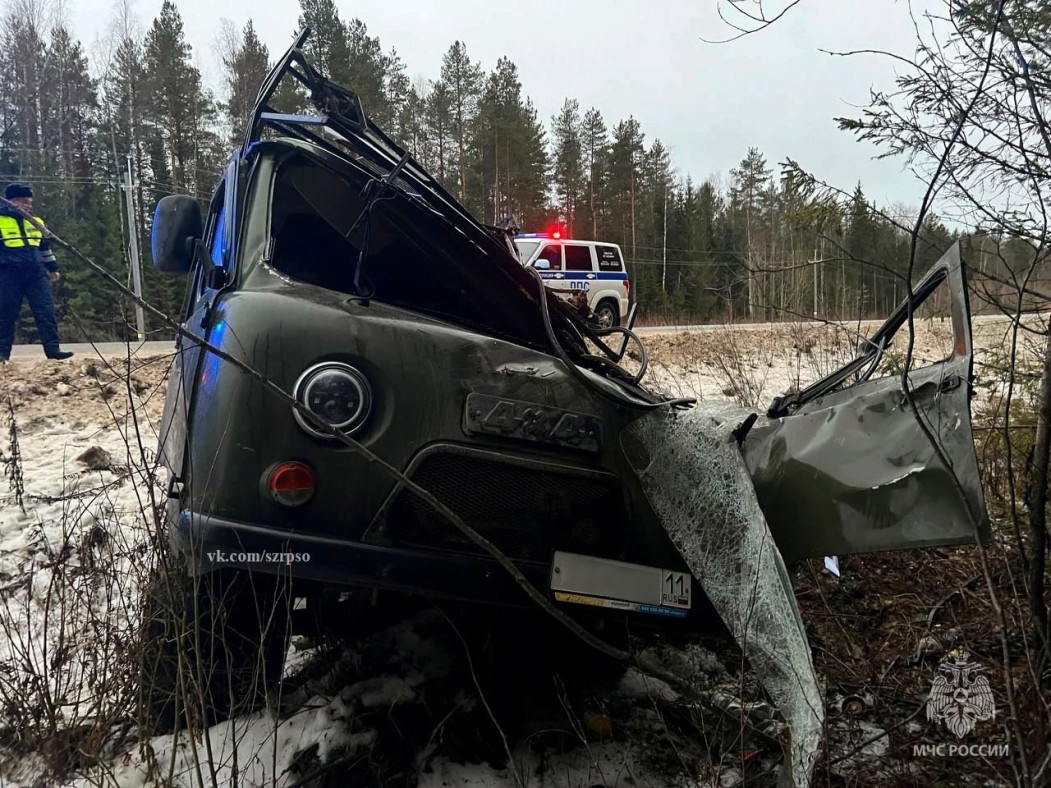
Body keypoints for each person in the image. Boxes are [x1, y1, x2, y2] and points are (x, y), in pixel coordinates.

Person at [0, 183, 72, 361]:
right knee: (6, 314)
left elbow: (44, 248)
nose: (29, 206)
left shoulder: (36, 221)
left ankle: (53, 350)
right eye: (25, 202)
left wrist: (53, 268)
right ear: (12, 202)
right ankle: (2, 354)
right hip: (8, 273)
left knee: (46, 312)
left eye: (30, 202)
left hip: (36, 273)